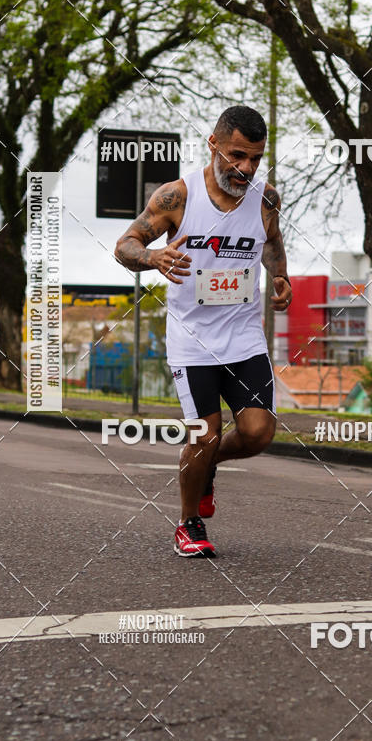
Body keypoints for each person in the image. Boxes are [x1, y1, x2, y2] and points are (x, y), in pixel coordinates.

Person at [114, 105, 291, 558]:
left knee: (258, 433)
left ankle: (207, 466)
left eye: (255, 158)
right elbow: (126, 244)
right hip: (192, 339)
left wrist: (280, 278)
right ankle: (189, 521)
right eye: (237, 156)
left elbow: (271, 241)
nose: (246, 168)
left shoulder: (265, 197)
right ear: (213, 145)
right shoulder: (178, 196)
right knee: (203, 434)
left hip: (245, 335)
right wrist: (152, 258)